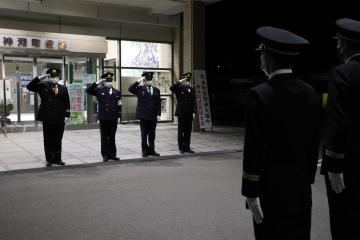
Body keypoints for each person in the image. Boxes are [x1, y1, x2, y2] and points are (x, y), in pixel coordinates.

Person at [241, 26, 321, 240]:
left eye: (262, 54)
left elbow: (254, 148)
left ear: (268, 59)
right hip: (300, 188)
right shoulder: (311, 93)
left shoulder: (259, 95)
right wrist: (306, 178)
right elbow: (314, 142)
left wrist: (250, 190)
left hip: (270, 190)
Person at [321, 18, 360, 240]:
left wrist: (334, 164)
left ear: (344, 44)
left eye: (338, 42)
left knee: (345, 222)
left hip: (349, 165)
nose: (337, 46)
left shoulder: (342, 74)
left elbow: (338, 123)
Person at [27, 67, 70, 167]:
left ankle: (58, 159)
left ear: (58, 77)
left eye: (56, 76)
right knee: (48, 139)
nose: (54, 78)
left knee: (58, 139)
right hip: (48, 117)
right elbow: (29, 86)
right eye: (52, 76)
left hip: (60, 117)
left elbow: (67, 102)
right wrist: (40, 78)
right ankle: (49, 159)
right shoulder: (43, 86)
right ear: (49, 77)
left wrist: (67, 115)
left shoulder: (64, 88)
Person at [86, 72, 121, 162]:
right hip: (103, 117)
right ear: (104, 81)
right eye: (107, 80)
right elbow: (88, 90)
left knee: (112, 137)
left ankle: (113, 154)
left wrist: (119, 116)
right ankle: (105, 155)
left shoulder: (117, 92)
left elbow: (119, 105)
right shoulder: (99, 90)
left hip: (113, 118)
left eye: (110, 80)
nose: (109, 82)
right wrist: (98, 82)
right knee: (104, 137)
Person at [128, 71, 161, 157]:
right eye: (147, 79)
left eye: (150, 79)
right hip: (143, 116)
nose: (149, 80)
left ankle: (151, 149)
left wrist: (159, 114)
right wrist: (139, 81)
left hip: (153, 116)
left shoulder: (156, 90)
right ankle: (144, 151)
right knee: (144, 134)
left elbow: (158, 103)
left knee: (152, 134)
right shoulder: (140, 89)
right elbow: (130, 89)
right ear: (145, 80)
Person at [170, 72, 196, 154]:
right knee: (181, 131)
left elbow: (193, 102)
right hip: (181, 113)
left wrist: (194, 112)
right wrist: (179, 81)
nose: (187, 81)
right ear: (183, 80)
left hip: (189, 113)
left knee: (188, 132)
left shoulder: (191, 89)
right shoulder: (179, 88)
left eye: (188, 79)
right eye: (186, 79)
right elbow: (171, 88)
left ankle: (187, 147)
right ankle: (181, 148)